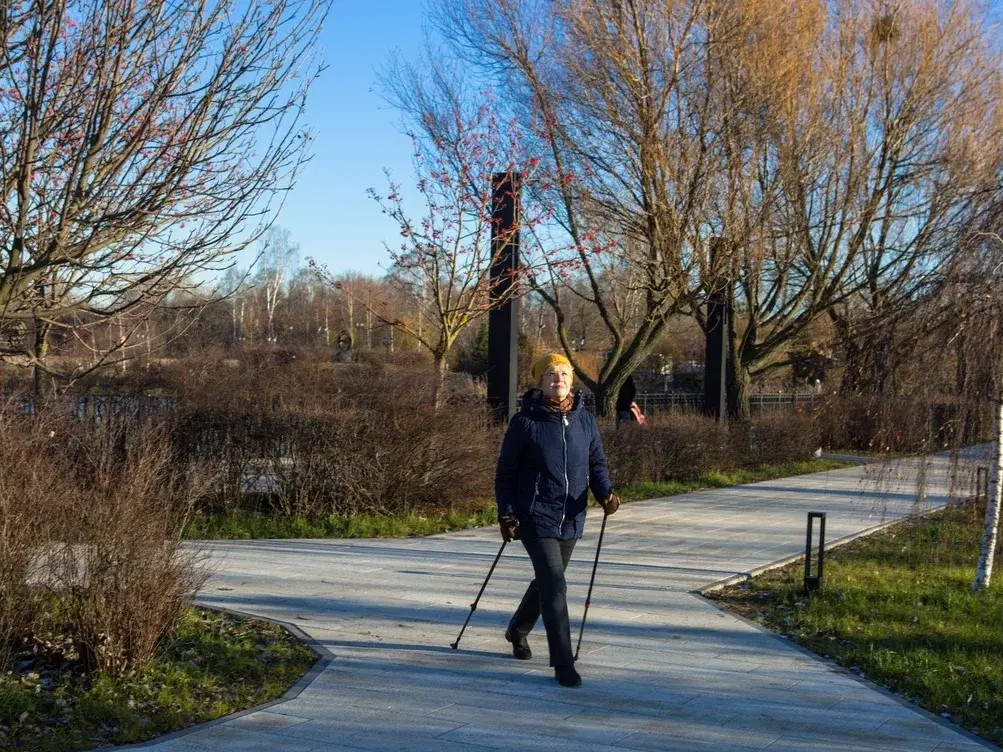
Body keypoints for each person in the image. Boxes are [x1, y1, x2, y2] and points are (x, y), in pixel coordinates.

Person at [495, 353, 620, 688]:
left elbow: (597, 463)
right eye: (551, 374)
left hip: (571, 517)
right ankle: (563, 663)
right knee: (555, 584)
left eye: (564, 373)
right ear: (540, 382)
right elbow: (506, 472)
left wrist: (605, 492)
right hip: (535, 514)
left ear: (572, 380)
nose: (559, 379)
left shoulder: (585, 420)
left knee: (548, 581)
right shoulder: (524, 423)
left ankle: (517, 630)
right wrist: (506, 511)